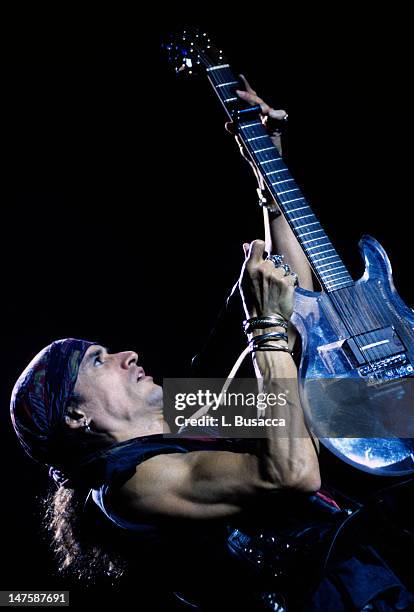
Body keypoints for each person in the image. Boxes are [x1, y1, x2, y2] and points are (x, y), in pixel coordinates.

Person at [10, 82, 414, 611]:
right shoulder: (129, 487)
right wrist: (265, 327)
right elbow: (291, 473)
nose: (126, 354)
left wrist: (270, 174)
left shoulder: (189, 408)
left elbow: (306, 344)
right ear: (75, 415)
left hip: (382, 570)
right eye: (97, 360)